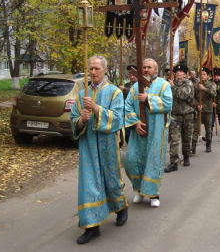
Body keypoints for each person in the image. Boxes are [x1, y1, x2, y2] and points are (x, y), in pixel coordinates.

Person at [70, 55, 128, 245]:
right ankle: (91, 226)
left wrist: (95, 108)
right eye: (91, 69)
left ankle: (120, 208)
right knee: (89, 183)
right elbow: (73, 120)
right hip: (87, 145)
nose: (93, 72)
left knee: (111, 179)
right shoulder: (81, 95)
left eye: (96, 68)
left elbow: (118, 119)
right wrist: (81, 120)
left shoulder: (114, 93)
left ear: (104, 70)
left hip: (107, 144)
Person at [124, 58, 172, 208]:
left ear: (155, 69)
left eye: (149, 67)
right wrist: (135, 123)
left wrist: (148, 98)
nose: (146, 70)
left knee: (152, 161)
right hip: (139, 131)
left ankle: (153, 194)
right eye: (143, 67)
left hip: (156, 131)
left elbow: (168, 103)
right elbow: (128, 107)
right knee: (132, 161)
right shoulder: (135, 87)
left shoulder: (163, 85)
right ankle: (138, 190)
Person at [165, 65, 194, 172]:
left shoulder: (188, 84)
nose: (178, 73)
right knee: (175, 139)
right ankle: (173, 162)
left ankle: (186, 156)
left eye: (181, 71)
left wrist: (173, 87)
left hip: (187, 114)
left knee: (186, 138)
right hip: (175, 115)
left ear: (185, 74)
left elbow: (183, 95)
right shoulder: (170, 83)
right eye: (177, 71)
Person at [194, 67, 216, 153]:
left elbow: (214, 93)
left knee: (208, 129)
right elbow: (193, 97)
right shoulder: (196, 85)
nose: (202, 76)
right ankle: (193, 146)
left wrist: (204, 89)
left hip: (208, 110)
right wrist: (197, 105)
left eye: (204, 74)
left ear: (207, 76)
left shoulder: (212, 84)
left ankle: (208, 144)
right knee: (195, 129)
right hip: (198, 110)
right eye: (201, 74)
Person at [189, 70, 200, 154]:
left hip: (196, 107)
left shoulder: (198, 82)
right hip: (188, 107)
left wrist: (199, 104)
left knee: (195, 128)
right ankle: (188, 146)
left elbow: (199, 95)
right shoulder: (187, 81)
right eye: (191, 74)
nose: (192, 75)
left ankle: (194, 145)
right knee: (188, 129)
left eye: (194, 74)